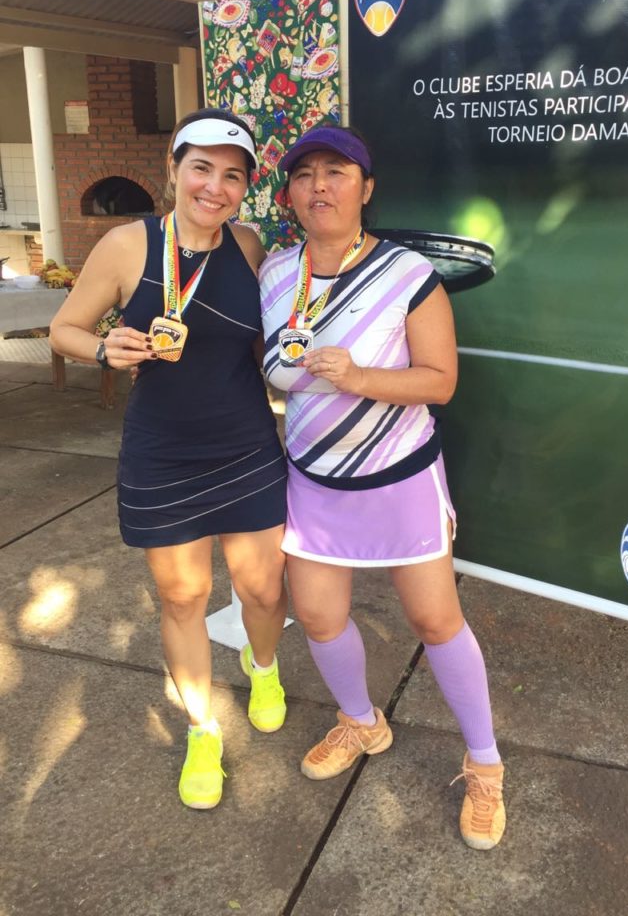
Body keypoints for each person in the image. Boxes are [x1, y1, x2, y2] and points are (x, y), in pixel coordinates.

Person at [259, 125, 506, 850]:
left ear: (366, 188)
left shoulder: (407, 273)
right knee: (318, 616)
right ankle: (361, 721)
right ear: (289, 194)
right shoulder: (275, 273)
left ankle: (485, 766)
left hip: (400, 476)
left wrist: (361, 377)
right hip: (312, 477)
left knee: (435, 621)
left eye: (336, 172)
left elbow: (441, 381)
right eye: (304, 174)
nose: (319, 186)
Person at [50, 108, 288, 811]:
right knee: (183, 599)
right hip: (163, 453)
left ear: (245, 188)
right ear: (174, 170)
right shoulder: (128, 245)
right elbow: (64, 328)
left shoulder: (248, 245)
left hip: (245, 445)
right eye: (201, 168)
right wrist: (104, 349)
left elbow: (259, 344)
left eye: (233, 176)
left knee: (263, 592)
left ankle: (264, 668)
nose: (215, 187)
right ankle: (203, 732)